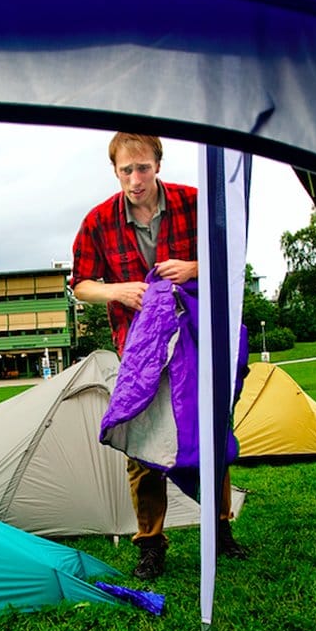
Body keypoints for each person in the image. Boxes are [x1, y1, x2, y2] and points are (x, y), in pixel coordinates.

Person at [71, 132, 247, 580]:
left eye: (143, 168)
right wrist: (117, 291)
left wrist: (195, 267)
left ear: (158, 164)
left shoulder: (195, 203)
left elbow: (234, 253)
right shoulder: (97, 221)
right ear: (115, 171)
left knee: (209, 431)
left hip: (196, 340)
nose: (135, 179)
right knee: (142, 443)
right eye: (126, 170)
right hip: (138, 348)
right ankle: (151, 544)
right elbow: (81, 285)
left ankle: (220, 530)